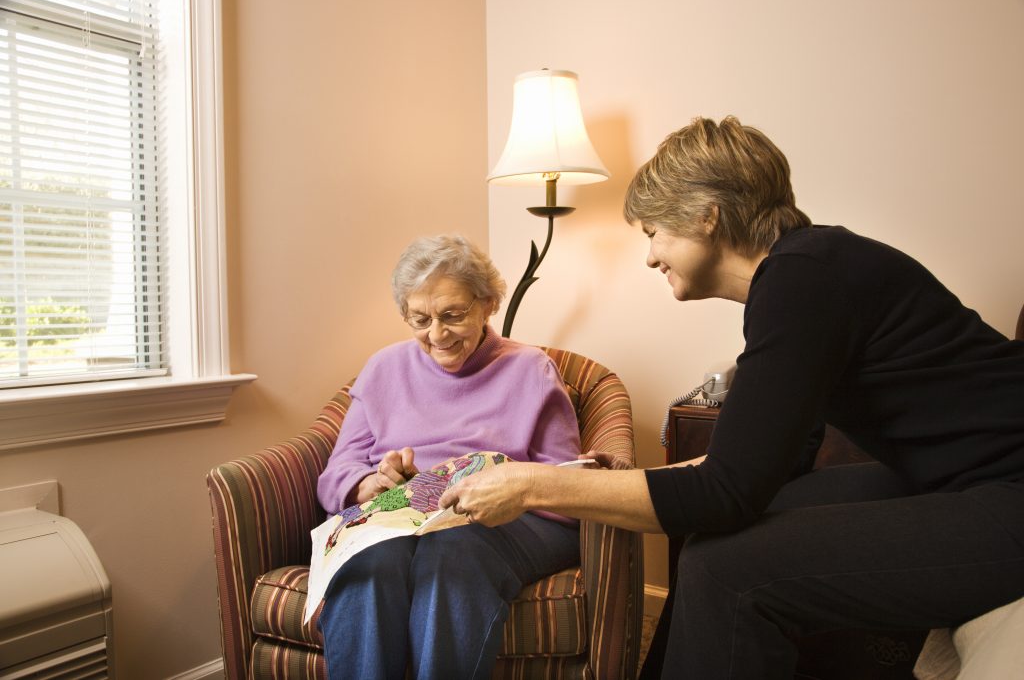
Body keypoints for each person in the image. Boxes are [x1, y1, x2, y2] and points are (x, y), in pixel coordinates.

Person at [439, 116, 1024, 678]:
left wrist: (532, 483)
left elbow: (725, 492)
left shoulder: (803, 280)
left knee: (727, 571)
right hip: (955, 476)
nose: (650, 256)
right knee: (719, 538)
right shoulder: (809, 270)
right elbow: (767, 468)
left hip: (1007, 490)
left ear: (706, 217)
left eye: (654, 233)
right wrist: (613, 483)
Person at [315, 234, 583, 680]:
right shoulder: (383, 369)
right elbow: (334, 474)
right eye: (419, 319)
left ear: (487, 304)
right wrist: (369, 485)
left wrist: (500, 490)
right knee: (368, 559)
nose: (436, 334)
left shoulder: (530, 370)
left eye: (452, 316)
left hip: (507, 523)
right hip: (401, 522)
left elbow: (566, 488)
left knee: (451, 549)